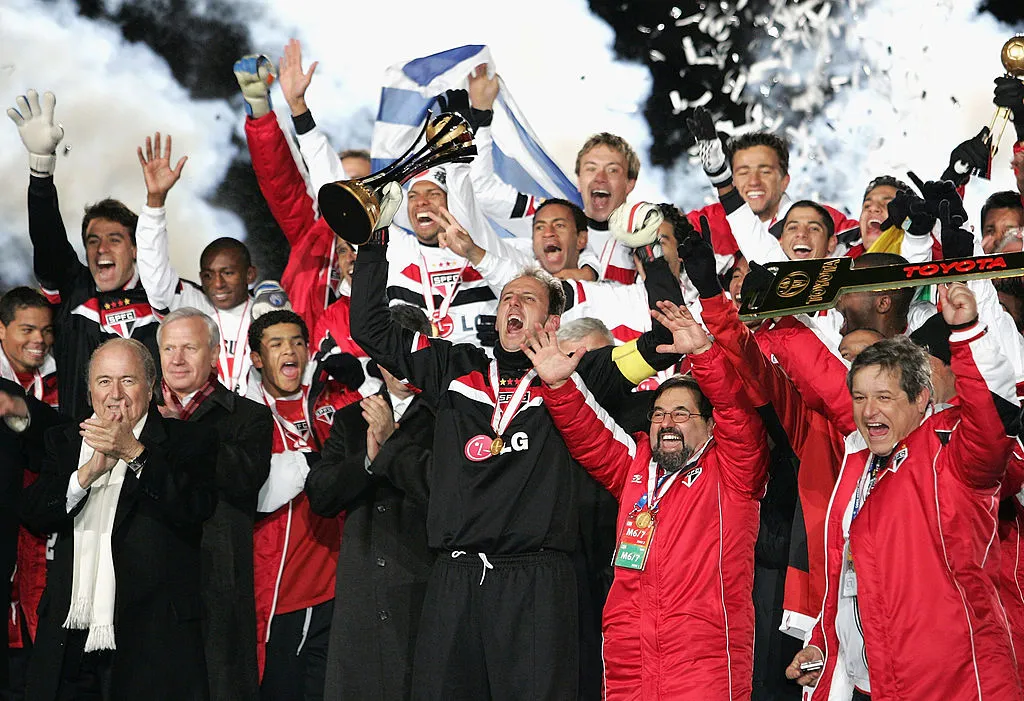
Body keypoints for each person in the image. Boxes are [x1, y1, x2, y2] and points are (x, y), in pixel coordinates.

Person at [349, 215, 683, 699]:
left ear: (551, 323)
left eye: (527, 299)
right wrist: (374, 239)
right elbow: (371, 329)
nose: (512, 303)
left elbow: (664, 340)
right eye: (507, 297)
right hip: (454, 576)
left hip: (536, 583)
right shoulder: (454, 367)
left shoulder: (578, 372)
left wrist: (650, 257)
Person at [523, 300, 769, 701]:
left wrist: (705, 356)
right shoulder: (636, 466)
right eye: (658, 415)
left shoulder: (733, 471)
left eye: (681, 414)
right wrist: (558, 386)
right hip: (627, 658)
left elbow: (737, 414)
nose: (667, 423)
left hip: (702, 659)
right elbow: (591, 436)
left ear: (709, 426)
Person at [787, 284, 1022, 700]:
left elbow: (995, 422)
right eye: (859, 397)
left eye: (884, 397)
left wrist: (968, 333)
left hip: (957, 684)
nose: (868, 410)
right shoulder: (860, 464)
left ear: (921, 399)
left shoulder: (949, 454)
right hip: (873, 682)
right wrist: (827, 645)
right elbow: (848, 581)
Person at [19, 338, 217, 701]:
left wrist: (133, 452)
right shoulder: (63, 441)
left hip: (151, 643)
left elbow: (194, 508)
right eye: (104, 381)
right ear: (89, 387)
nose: (115, 394)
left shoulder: (188, 440)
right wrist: (86, 475)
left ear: (152, 385)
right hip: (69, 637)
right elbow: (35, 515)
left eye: (128, 380)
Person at [305, 304, 436, 701]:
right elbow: (322, 495)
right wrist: (366, 458)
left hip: (429, 584)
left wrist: (391, 443)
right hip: (365, 591)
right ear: (377, 360)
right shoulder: (350, 420)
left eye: (411, 354)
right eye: (391, 355)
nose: (401, 367)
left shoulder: (451, 415)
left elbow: (448, 495)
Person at [7, 90, 159, 418]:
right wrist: (41, 173)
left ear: (135, 248)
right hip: (81, 450)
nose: (101, 248)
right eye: (92, 240)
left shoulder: (161, 292)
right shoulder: (74, 288)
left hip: (152, 452)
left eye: (114, 239)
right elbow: (48, 242)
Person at [247, 307, 367, 701]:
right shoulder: (247, 417)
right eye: (277, 343)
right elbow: (255, 494)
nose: (290, 351)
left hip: (340, 589)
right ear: (256, 358)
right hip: (283, 595)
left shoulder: (332, 403)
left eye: (298, 342)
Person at [157, 308, 273, 701]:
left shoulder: (249, 417)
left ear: (213, 355)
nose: (176, 359)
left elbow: (243, 479)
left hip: (218, 580)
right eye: (168, 348)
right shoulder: (141, 414)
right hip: (154, 579)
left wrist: (179, 433)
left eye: (189, 347)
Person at [135, 133, 260, 396]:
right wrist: (155, 202)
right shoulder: (190, 305)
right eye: (209, 275)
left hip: (258, 425)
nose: (218, 284)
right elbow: (154, 272)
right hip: (200, 423)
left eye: (228, 273)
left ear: (250, 274)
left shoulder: (267, 314)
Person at [0, 287, 59, 695]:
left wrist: (22, 410)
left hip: (41, 536)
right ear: (1, 330)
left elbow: (62, 436)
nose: (38, 339)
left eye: (45, 330)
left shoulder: (62, 372)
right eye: (26, 329)